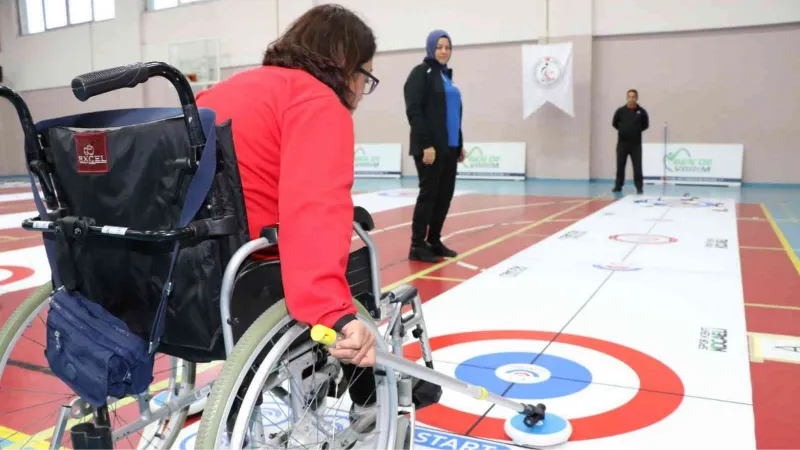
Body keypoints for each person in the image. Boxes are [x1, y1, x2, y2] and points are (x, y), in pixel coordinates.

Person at [195, 3, 382, 434]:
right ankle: (367, 396)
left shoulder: (224, 90)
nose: (360, 90)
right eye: (364, 77)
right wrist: (334, 314)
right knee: (352, 252)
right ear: (346, 66)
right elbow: (314, 208)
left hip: (200, 268)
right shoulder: (318, 102)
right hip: (255, 269)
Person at [403, 29, 465, 263]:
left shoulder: (447, 77)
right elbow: (414, 110)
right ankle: (417, 244)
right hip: (430, 148)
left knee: (444, 196)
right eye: (439, 47)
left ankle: (434, 240)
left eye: (447, 47)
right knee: (429, 195)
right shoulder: (422, 73)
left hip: (449, 147)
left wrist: (459, 143)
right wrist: (426, 143)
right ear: (431, 48)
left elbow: (453, 114)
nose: (443, 51)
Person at [612, 89, 649, 194]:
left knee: (637, 166)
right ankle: (618, 186)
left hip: (636, 145)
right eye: (629, 96)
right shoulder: (620, 111)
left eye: (633, 97)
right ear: (626, 98)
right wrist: (624, 130)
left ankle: (639, 187)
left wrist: (635, 131)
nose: (631, 99)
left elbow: (645, 125)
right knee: (620, 166)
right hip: (622, 144)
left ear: (636, 98)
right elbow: (614, 123)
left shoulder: (642, 112)